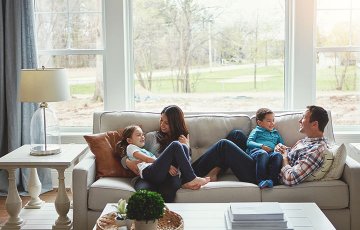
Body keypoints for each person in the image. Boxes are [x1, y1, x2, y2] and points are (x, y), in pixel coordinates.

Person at [119, 125, 209, 190]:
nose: (143, 137)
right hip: (148, 172)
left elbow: (156, 162)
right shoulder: (131, 147)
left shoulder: (144, 150)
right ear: (129, 140)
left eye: (143, 134)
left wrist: (187, 147)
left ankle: (187, 181)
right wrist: (167, 165)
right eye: (139, 135)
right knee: (175, 144)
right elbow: (147, 159)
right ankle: (192, 178)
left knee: (183, 146)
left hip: (157, 173)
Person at [275, 105, 330, 185]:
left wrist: (284, 158)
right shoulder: (305, 141)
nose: (299, 121)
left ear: (314, 124)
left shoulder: (316, 150)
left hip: (270, 175)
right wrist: (281, 148)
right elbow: (292, 156)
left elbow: (291, 178)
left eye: (303, 117)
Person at [246, 108, 283, 188]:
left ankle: (272, 180)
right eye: (269, 121)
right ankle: (261, 180)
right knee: (263, 153)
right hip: (257, 153)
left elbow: (281, 145)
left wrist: (281, 148)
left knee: (278, 155)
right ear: (259, 122)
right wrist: (261, 146)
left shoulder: (275, 133)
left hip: (271, 154)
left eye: (273, 120)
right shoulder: (256, 130)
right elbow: (249, 143)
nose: (272, 123)